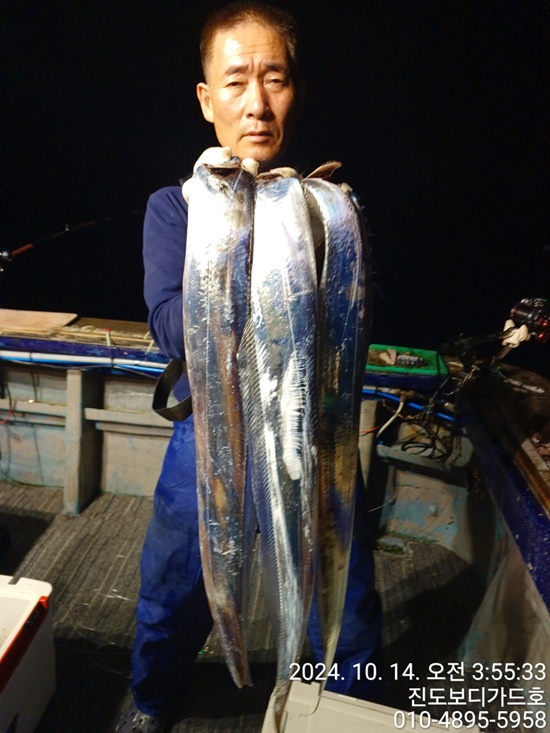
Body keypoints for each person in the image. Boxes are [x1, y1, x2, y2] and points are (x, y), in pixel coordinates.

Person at [116, 3, 381, 732]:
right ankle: (152, 701)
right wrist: (233, 250)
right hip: (210, 429)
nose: (257, 103)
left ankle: (345, 705)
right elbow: (169, 323)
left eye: (275, 79)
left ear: (295, 91)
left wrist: (315, 246)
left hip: (313, 430)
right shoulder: (177, 207)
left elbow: (359, 318)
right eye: (236, 82)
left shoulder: (329, 207)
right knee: (174, 584)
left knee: (345, 593)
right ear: (208, 100)